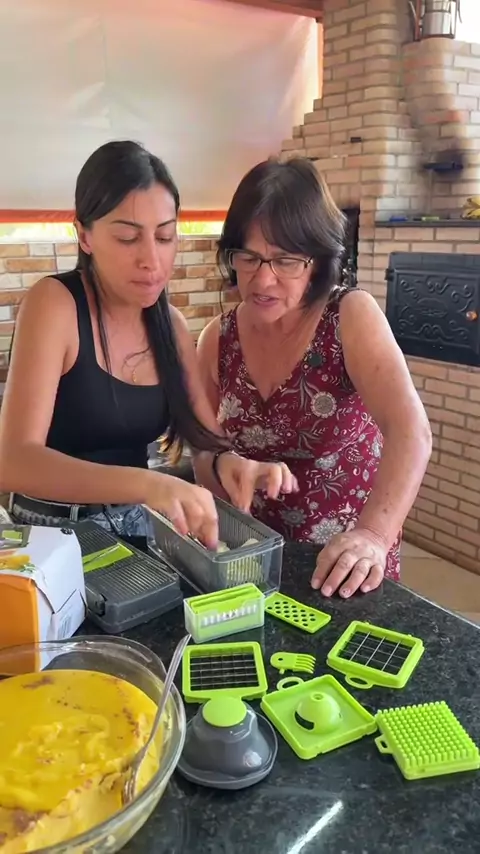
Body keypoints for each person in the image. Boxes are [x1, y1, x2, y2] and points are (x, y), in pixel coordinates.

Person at [0, 141, 296, 550]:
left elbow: (205, 440)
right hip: (49, 538)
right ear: (84, 235)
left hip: (134, 533)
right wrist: (146, 484)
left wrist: (235, 464)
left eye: (165, 236)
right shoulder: (55, 304)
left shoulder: (169, 326)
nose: (152, 260)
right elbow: (14, 460)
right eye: (127, 238)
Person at [196, 157, 432, 597]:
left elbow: (410, 431)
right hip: (254, 558)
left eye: (285, 260)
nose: (263, 280)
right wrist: (224, 471)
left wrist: (374, 536)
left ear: (318, 261)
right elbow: (203, 448)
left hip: (344, 561)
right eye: (248, 257)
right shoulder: (217, 338)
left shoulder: (349, 317)